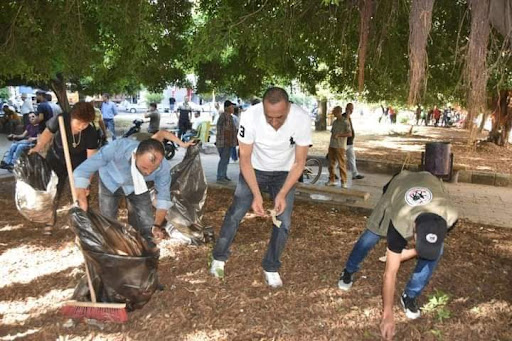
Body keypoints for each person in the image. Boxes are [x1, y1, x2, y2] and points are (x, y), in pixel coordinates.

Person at [337, 170, 458, 340]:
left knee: (436, 251)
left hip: (430, 180)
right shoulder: (400, 223)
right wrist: (387, 314)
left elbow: (430, 246)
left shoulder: (450, 216)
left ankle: (410, 295)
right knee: (373, 233)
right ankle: (349, 270)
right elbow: (390, 273)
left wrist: (406, 254)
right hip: (399, 186)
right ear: (413, 231)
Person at [209, 87, 312, 288]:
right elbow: (244, 159)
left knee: (284, 221)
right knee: (235, 213)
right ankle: (219, 257)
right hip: (254, 169)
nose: (274, 123)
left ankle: (271, 266)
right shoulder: (250, 116)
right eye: (269, 117)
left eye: (279, 118)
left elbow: (300, 163)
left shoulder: (302, 118)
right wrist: (256, 195)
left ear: (288, 108)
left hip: (285, 172)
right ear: (263, 108)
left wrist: (282, 194)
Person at [73, 132, 194, 248]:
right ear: (135, 155)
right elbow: (84, 169)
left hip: (138, 187)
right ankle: (112, 249)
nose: (147, 173)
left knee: (146, 223)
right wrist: (81, 193)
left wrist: (157, 225)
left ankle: (144, 253)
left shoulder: (163, 168)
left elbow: (163, 199)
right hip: (110, 182)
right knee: (108, 220)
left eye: (152, 170)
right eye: (144, 168)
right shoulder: (117, 148)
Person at [29, 102, 98, 232]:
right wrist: (38, 148)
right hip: (56, 158)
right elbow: (47, 133)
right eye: (79, 123)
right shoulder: (61, 119)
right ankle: (49, 219)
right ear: (72, 116)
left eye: (85, 124)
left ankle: (82, 225)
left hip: (80, 164)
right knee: (53, 190)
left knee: (81, 194)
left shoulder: (91, 133)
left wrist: (87, 182)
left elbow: (91, 161)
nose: (82, 127)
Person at [326, 106, 352, 188]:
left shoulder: (345, 122)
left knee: (341, 164)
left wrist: (339, 135)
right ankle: (332, 179)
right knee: (331, 164)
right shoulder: (335, 122)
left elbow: (349, 134)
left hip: (340, 146)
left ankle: (344, 181)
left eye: (334, 112)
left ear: (339, 112)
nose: (333, 113)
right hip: (332, 145)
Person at [216, 100, 237, 182]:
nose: (233, 108)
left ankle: (223, 175)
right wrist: (228, 141)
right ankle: (220, 176)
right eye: (232, 107)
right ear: (227, 108)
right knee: (224, 160)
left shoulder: (227, 116)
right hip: (225, 142)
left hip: (224, 142)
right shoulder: (226, 116)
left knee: (225, 159)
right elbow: (227, 130)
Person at [343, 103, 364, 180]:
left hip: (350, 143)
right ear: (346, 109)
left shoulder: (349, 117)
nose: (351, 110)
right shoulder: (343, 117)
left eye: (352, 109)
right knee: (338, 159)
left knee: (352, 158)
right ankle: (332, 173)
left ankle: (355, 174)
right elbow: (345, 125)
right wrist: (347, 116)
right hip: (344, 142)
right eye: (350, 109)